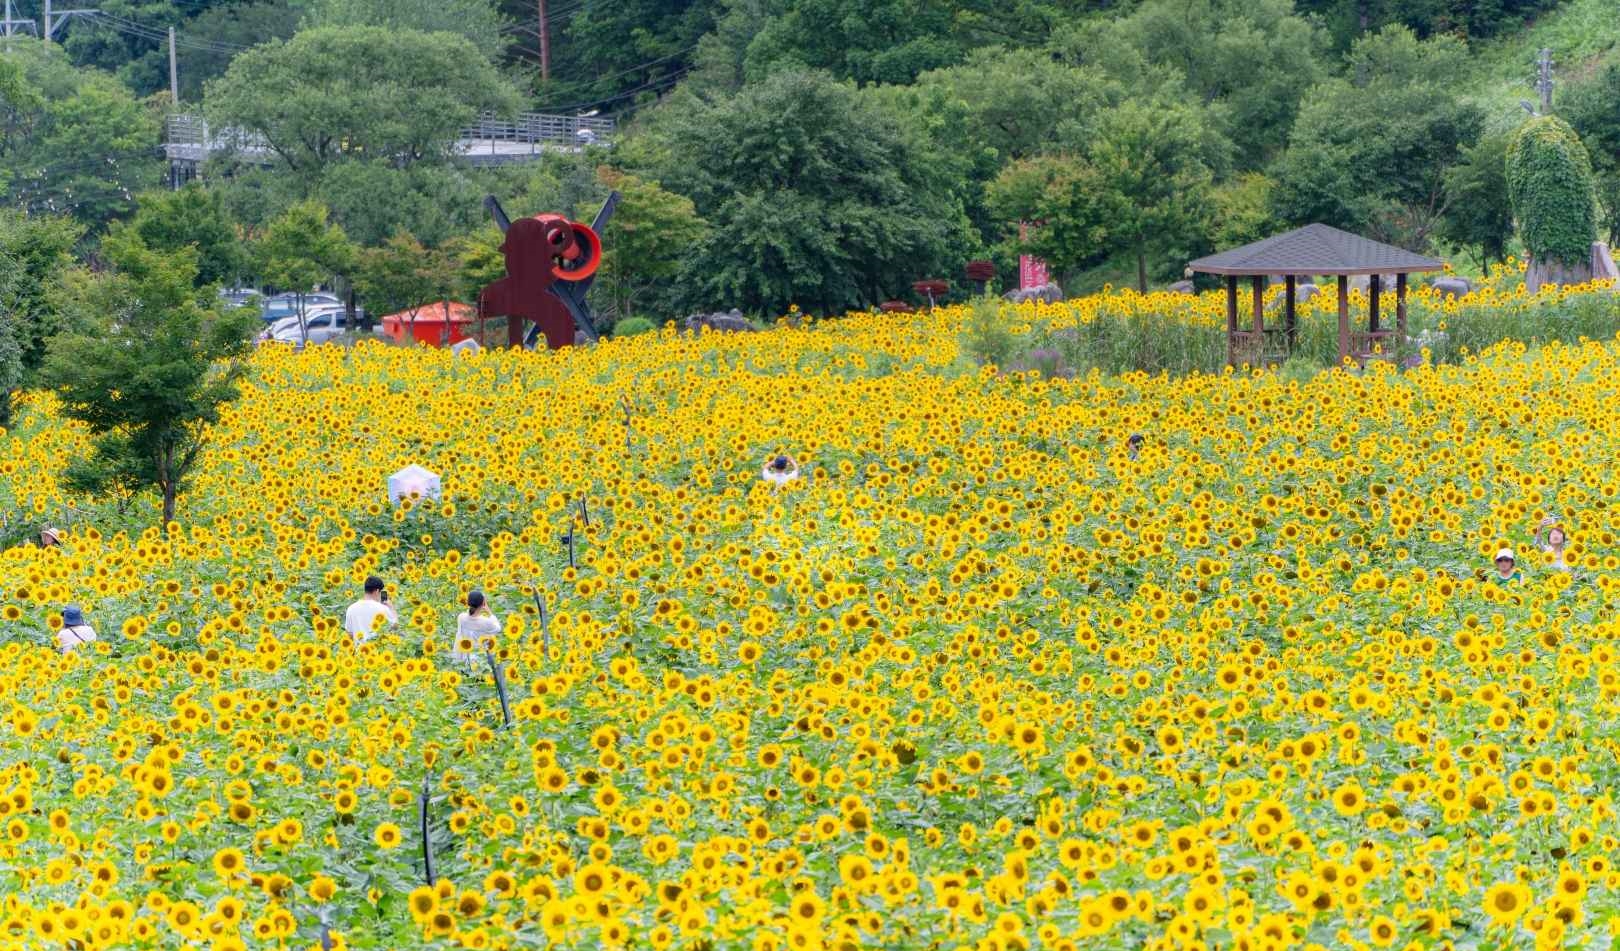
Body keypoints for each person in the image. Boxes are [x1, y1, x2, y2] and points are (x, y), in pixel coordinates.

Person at [453, 590, 501, 666]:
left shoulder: (461, 617)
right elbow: (498, 628)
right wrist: (489, 611)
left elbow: (468, 616)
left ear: (468, 602)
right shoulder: (486, 622)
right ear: (483, 604)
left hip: (464, 659)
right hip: (479, 662)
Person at [345, 576, 397, 644]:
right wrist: (391, 607)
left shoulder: (351, 608)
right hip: (377, 648)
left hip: (359, 649)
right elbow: (394, 626)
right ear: (377, 591)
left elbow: (349, 634)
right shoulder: (382, 608)